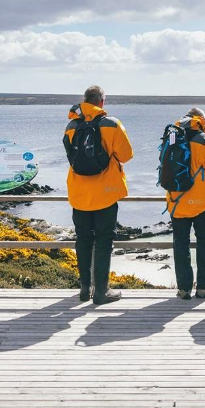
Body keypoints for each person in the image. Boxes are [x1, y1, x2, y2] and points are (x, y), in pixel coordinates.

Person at [63, 85, 133, 305]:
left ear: (85, 101)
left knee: (83, 240)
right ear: (102, 102)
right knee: (103, 241)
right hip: (105, 194)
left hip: (79, 194)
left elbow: (70, 156)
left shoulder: (72, 125)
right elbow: (126, 155)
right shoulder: (112, 124)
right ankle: (101, 292)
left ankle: (84, 289)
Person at [165, 108, 205, 300]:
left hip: (177, 199)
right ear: (201, 120)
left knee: (180, 245)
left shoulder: (171, 136)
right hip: (201, 201)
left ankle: (184, 288)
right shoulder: (203, 139)